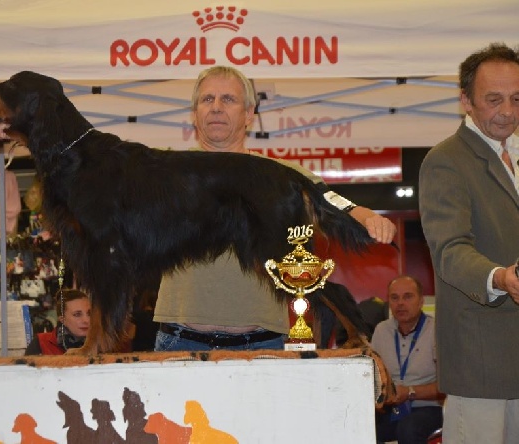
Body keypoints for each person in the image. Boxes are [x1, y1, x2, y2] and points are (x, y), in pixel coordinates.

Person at [153, 66, 397, 352]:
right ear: (194, 113)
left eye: (228, 100)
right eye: (207, 100)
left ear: (249, 114)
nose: (216, 108)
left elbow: (331, 200)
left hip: (262, 344)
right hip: (179, 341)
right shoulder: (163, 171)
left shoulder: (281, 174)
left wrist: (367, 216)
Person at [419, 42, 519, 443]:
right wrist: (500, 277)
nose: (508, 111)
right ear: (465, 100)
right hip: (480, 362)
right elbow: (450, 249)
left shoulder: (518, 158)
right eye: (494, 99)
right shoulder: (446, 159)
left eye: (518, 98)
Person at [370, 275, 443, 444]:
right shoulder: (381, 331)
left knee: (408, 428)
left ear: (421, 301)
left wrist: (409, 392)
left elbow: (448, 386)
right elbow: (372, 376)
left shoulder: (436, 331)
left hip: (427, 407)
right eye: (394, 298)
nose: (400, 303)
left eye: (408, 296)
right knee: (358, 423)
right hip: (389, 408)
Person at [24, 288, 91, 355]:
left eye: (89, 314)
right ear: (62, 320)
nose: (86, 320)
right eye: (77, 314)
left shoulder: (100, 344)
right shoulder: (41, 343)